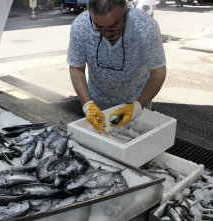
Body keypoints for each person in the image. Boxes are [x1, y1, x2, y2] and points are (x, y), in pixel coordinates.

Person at [67, 0, 166, 132]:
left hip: (137, 101)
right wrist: (87, 105)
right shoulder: (81, 26)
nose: (107, 33)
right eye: (99, 27)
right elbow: (76, 69)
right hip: (97, 102)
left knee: (136, 144)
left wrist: (138, 106)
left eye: (114, 26)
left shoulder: (145, 26)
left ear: (126, 12)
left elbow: (158, 72)